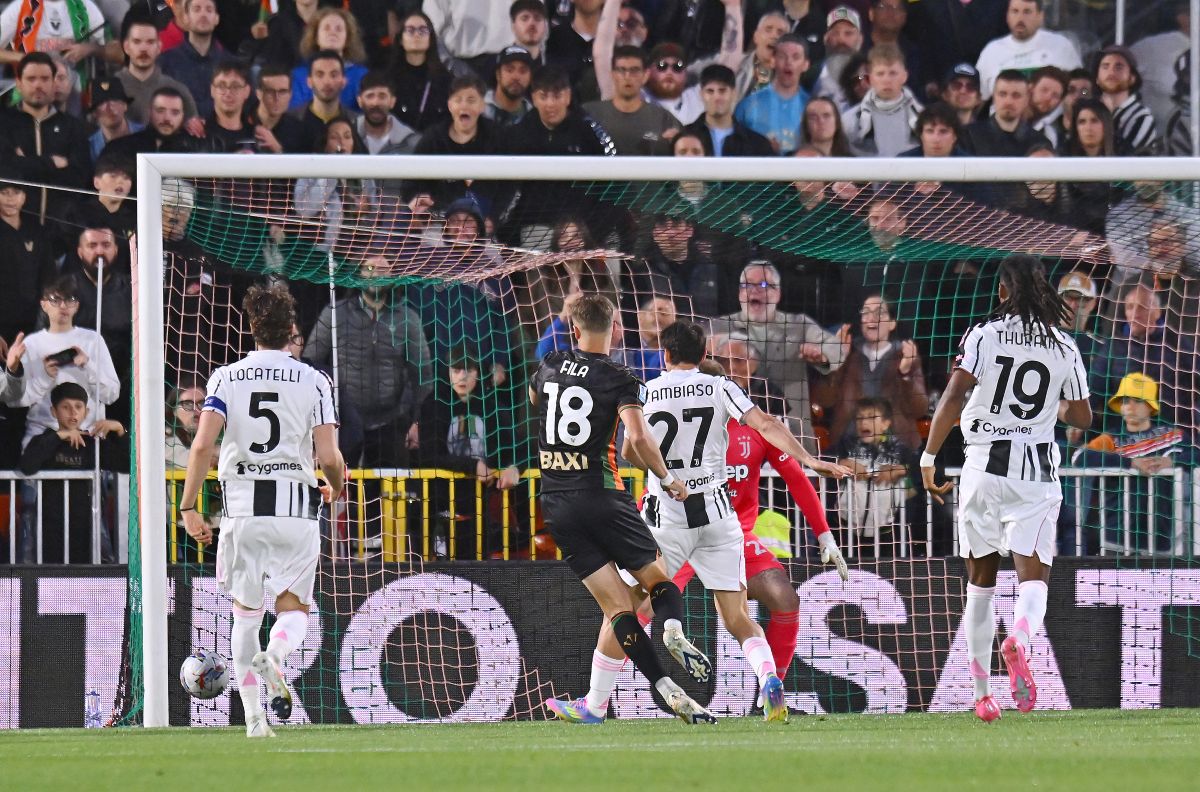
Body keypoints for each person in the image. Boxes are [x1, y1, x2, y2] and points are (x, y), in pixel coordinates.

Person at [624, 321, 851, 723]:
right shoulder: (725, 394)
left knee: (637, 607)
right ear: (707, 356)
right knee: (733, 615)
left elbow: (631, 447)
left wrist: (824, 533)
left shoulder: (647, 393)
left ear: (666, 354)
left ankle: (608, 689)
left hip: (687, 521)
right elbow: (770, 426)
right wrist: (814, 458)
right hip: (717, 520)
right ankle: (764, 677)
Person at [921, 254, 1092, 722]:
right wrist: (1052, 407)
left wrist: (930, 455)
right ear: (1047, 293)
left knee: (980, 586)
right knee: (1034, 579)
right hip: (1034, 474)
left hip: (981, 469)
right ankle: (1019, 636)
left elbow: (953, 396)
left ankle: (981, 697)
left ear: (1002, 292)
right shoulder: (1064, 346)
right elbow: (1082, 417)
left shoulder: (983, 334)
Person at [535, 295, 716, 726]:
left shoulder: (547, 366)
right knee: (658, 582)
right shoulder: (621, 377)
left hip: (557, 502)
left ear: (574, 329)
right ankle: (672, 630)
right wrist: (669, 478)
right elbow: (637, 438)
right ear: (615, 328)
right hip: (602, 495)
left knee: (617, 611)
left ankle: (664, 688)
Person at [179, 283, 344, 739]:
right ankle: (276, 656)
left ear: (251, 328)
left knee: (245, 615)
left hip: (242, 511)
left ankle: (255, 720)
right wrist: (334, 484)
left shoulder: (225, 378)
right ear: (292, 329)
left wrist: (189, 506)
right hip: (295, 510)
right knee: (294, 610)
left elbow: (201, 446)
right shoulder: (315, 380)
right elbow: (328, 455)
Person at [710, 260, 850, 453]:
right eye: (747, 285)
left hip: (792, 433)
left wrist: (823, 355)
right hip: (734, 435)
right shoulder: (718, 327)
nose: (755, 291)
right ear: (739, 293)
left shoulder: (799, 325)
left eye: (765, 285)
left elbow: (837, 349)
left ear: (778, 294)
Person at [19, 382, 126, 564]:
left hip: (85, 524)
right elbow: (28, 466)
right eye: (65, 407)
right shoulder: (43, 440)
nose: (73, 412)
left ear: (87, 411)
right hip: (49, 523)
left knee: (84, 566)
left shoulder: (93, 443)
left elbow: (125, 464)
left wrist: (120, 430)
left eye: (78, 407)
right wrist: (59, 436)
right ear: (54, 412)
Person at [10, 278, 120, 449]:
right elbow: (17, 401)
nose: (63, 306)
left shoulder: (92, 340)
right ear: (44, 305)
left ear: (76, 306)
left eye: (69, 300)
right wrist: (44, 377)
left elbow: (111, 395)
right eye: (55, 300)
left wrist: (88, 366)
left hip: (88, 436)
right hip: (42, 436)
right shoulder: (31, 344)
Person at [4, 52, 92, 226]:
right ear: (19, 84)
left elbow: (78, 179)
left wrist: (25, 162)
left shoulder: (74, 128)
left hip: (63, 234)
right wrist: (52, 164)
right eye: (31, 79)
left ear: (53, 83)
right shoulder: (4, 124)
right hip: (12, 235)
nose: (38, 85)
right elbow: (7, 172)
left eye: (45, 79)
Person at [833, 397, 918, 556]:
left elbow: (916, 467)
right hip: (845, 529)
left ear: (886, 424)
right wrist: (845, 463)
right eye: (860, 418)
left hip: (885, 532)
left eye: (871, 417)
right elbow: (829, 459)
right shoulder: (847, 444)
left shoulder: (898, 449)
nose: (864, 423)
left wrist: (899, 469)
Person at [974, 0, 1081, 101]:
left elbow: (1080, 89)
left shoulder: (1061, 46)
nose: (1020, 18)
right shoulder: (992, 51)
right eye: (1015, 11)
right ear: (1007, 16)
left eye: (1027, 12)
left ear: (1040, 16)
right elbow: (980, 98)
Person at [584, 45, 680, 156]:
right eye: (621, 70)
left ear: (645, 75)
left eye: (634, 70)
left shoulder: (664, 120)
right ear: (612, 74)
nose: (627, 76)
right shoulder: (589, 115)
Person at [842, 43, 923, 157]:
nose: (887, 80)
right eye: (880, 74)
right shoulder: (850, 120)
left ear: (904, 76)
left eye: (893, 73)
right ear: (870, 78)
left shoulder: (922, 117)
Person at [734, 35, 810, 155]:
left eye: (796, 57)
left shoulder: (811, 107)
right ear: (773, 61)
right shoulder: (748, 106)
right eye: (782, 56)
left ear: (806, 64)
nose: (788, 62)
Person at [115, 17, 198, 125]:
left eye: (150, 42)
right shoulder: (111, 88)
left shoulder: (178, 90)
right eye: (137, 42)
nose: (143, 48)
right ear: (126, 47)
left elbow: (195, 131)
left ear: (159, 47)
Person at [288, 6, 368, 113]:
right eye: (326, 28)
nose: (332, 32)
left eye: (339, 29)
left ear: (347, 38)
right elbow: (295, 112)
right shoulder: (298, 75)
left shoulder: (362, 76)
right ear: (316, 37)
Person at [387, 10, 451, 133]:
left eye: (423, 30)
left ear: (430, 38)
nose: (417, 35)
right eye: (410, 30)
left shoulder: (445, 79)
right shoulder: (388, 78)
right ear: (400, 39)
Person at [159, 0, 226, 118]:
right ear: (185, 17)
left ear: (217, 18)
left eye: (209, 10)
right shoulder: (165, 62)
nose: (203, 14)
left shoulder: (230, 63)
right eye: (197, 9)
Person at [1093, 45, 1161, 156]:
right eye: (1105, 67)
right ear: (1097, 79)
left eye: (1118, 67)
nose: (1111, 72)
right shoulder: (1089, 111)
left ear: (1132, 78)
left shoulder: (1142, 117)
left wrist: (1107, 118)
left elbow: (1125, 159)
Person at [484, 46, 535, 126]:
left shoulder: (535, 117)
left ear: (530, 77)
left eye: (523, 71)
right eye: (509, 70)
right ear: (498, 74)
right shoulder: (477, 109)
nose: (516, 77)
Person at [939, 63, 984, 128]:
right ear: (945, 94)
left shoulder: (988, 135)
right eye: (956, 85)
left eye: (971, 87)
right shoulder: (933, 132)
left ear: (978, 98)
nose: (963, 91)